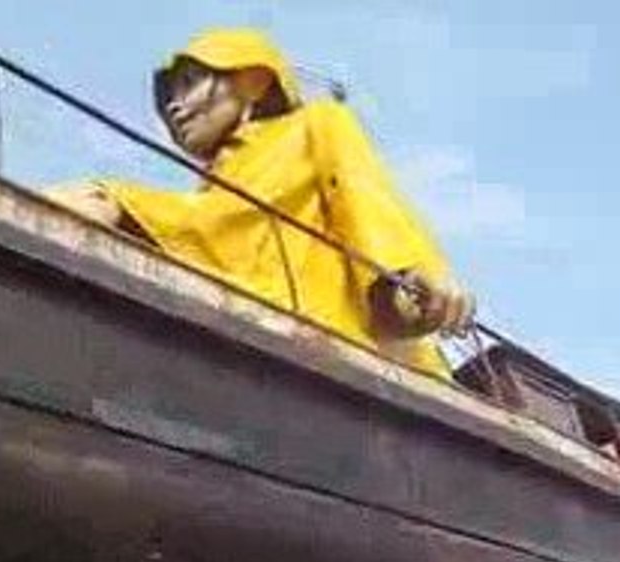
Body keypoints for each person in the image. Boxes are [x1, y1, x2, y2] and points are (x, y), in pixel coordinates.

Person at [48, 28, 474, 378]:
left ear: (253, 80)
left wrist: (412, 281)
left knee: (99, 199)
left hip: (332, 341)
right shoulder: (214, 184)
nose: (175, 106)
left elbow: (367, 199)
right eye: (168, 99)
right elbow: (206, 234)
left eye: (190, 83)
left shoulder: (315, 124)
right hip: (239, 331)